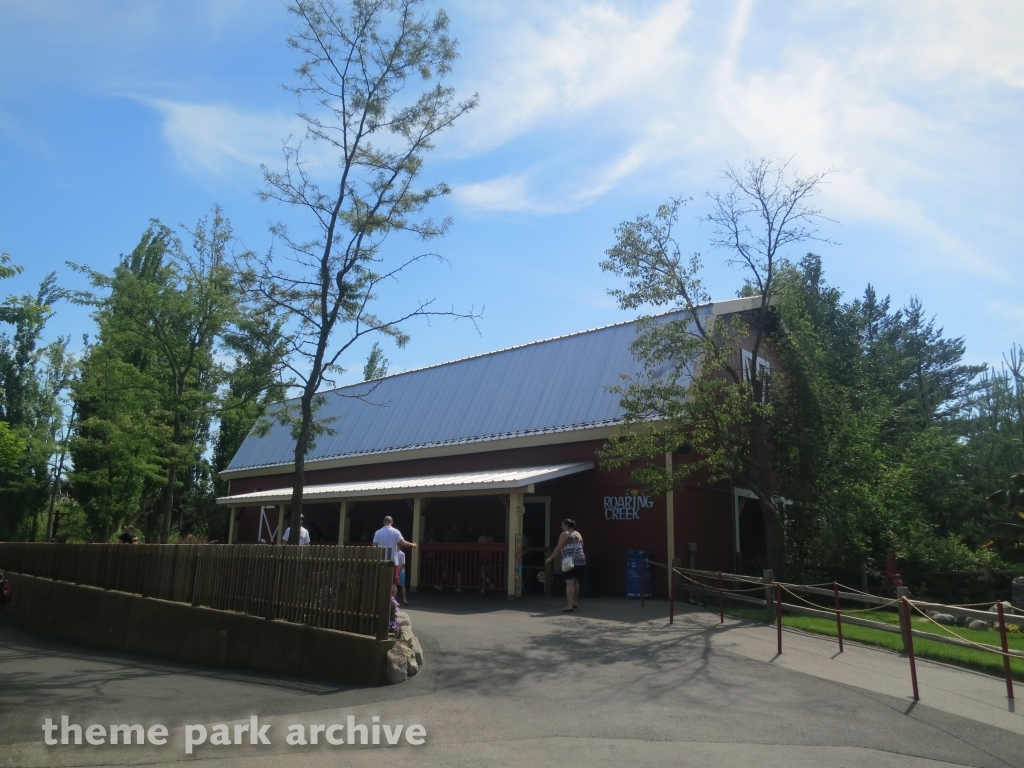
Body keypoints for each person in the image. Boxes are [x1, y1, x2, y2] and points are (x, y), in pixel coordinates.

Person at [546, 518, 586, 612]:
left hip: (569, 560)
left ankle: (569, 605)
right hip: (581, 560)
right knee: (576, 582)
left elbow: (559, 547)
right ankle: (574, 602)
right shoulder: (578, 534)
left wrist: (550, 558)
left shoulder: (564, 534)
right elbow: (582, 546)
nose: (561, 526)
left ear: (567, 526)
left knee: (569, 583)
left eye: (562, 525)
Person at [372, 516, 417, 595]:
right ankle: (393, 603)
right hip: (393, 561)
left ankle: (381, 598)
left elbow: (374, 546)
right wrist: (412, 544)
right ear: (392, 522)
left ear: (383, 522)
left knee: (381, 581)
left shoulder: (377, 532)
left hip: (381, 560)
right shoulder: (395, 531)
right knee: (393, 583)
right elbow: (403, 543)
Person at [478, 527, 495, 593]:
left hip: (483, 557)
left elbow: (478, 547)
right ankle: (483, 588)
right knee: (487, 573)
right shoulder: (492, 539)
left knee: (483, 573)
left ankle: (489, 584)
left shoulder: (481, 538)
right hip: (491, 557)